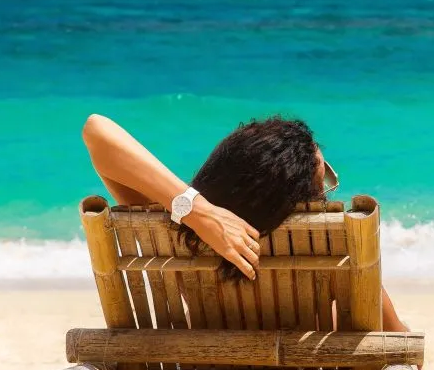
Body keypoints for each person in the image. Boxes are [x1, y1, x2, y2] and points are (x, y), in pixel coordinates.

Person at [81, 113, 410, 332]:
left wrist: (196, 210)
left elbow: (96, 130)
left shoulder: (178, 235)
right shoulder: (334, 249)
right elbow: (401, 348)